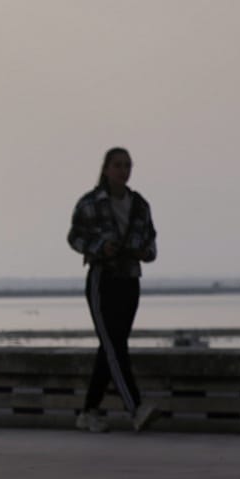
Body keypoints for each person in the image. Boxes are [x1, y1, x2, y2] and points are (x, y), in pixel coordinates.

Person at [68, 147, 159, 432]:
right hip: (102, 278)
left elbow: (152, 242)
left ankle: (88, 411)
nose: (123, 170)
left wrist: (144, 252)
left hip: (129, 279)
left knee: (112, 345)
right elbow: (74, 237)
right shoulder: (90, 203)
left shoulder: (140, 205)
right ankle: (136, 407)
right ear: (106, 169)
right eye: (118, 165)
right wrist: (99, 248)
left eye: (127, 165)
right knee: (114, 345)